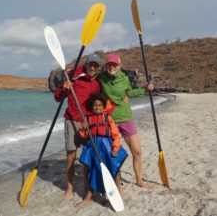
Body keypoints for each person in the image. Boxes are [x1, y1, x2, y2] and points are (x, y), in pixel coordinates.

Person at [98, 54, 154, 188]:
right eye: (109, 65)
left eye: (114, 65)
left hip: (125, 118)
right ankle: (115, 179)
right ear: (105, 66)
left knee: (137, 151)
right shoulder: (101, 79)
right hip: (109, 120)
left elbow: (129, 93)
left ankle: (139, 179)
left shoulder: (124, 79)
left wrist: (145, 89)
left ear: (119, 66)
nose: (112, 67)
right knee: (112, 153)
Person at [54, 54, 102, 199]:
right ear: (86, 65)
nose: (92, 67)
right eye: (90, 64)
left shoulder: (97, 84)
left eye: (95, 65)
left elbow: (99, 104)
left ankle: (87, 187)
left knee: (87, 157)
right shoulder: (73, 77)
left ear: (98, 68)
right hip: (72, 120)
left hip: (87, 122)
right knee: (71, 156)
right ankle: (69, 187)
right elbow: (57, 98)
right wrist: (64, 87)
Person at [75, 93, 128, 207]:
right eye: (95, 105)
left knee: (114, 168)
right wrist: (83, 127)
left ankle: (117, 192)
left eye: (99, 105)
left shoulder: (108, 118)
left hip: (106, 146)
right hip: (93, 147)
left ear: (103, 106)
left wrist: (115, 148)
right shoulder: (87, 118)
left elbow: (115, 134)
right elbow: (83, 135)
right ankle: (89, 196)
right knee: (89, 170)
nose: (97, 107)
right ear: (91, 106)